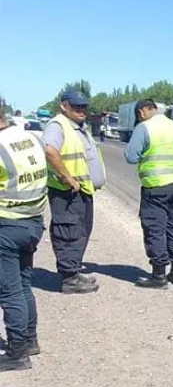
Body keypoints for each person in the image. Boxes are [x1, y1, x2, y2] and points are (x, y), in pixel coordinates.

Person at [43, 90, 105, 294]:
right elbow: (50, 151)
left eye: (83, 106)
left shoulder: (77, 127)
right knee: (68, 232)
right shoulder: (58, 125)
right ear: (64, 106)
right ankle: (69, 278)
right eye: (76, 106)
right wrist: (69, 178)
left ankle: (73, 272)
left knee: (80, 232)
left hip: (81, 191)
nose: (81, 110)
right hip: (66, 192)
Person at [124, 99, 173, 288]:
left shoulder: (145, 128)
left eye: (139, 114)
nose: (139, 118)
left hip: (156, 186)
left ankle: (159, 276)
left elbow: (131, 156)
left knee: (155, 228)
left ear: (144, 110)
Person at [0, 114, 48, 371]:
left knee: (9, 291)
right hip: (33, 222)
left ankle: (17, 353)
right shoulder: (30, 138)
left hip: (6, 225)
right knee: (23, 283)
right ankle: (30, 340)